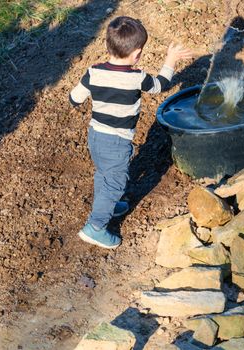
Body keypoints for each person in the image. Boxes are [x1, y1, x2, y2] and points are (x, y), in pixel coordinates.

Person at [69, 16, 192, 249]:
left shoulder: (93, 72)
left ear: (107, 46)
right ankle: (95, 227)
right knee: (115, 181)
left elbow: (74, 99)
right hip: (117, 141)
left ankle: (108, 204)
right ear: (137, 54)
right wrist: (170, 60)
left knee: (104, 174)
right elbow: (160, 85)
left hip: (95, 136)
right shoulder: (137, 77)